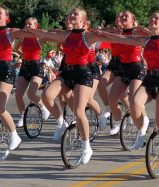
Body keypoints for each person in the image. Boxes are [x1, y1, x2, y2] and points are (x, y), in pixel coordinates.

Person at [95, 12, 159, 169]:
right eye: (151, 17)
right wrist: (101, 33)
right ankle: (141, 130)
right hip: (150, 79)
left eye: (157, 18)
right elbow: (121, 38)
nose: (153, 19)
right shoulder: (144, 40)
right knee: (134, 103)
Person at [24, 7, 110, 164]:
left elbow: (112, 36)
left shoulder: (88, 35)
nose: (71, 16)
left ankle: (86, 146)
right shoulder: (65, 35)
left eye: (75, 14)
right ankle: (61, 122)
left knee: (78, 110)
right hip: (67, 73)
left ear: (83, 21)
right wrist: (27, 31)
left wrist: (134, 36)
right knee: (46, 95)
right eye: (70, 13)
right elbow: (44, 33)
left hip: (84, 73)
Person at [0, 5, 35, 151]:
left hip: (5, 70)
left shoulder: (10, 32)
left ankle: (14, 136)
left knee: (0, 108)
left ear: (6, 18)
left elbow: (28, 32)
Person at [14, 17, 50, 128]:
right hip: (25, 66)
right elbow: (15, 47)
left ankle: (43, 107)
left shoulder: (39, 37)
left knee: (31, 94)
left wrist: (35, 32)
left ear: (36, 26)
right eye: (26, 24)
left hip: (36, 67)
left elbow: (46, 34)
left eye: (30, 24)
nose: (27, 26)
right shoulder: (23, 37)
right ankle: (22, 116)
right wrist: (23, 55)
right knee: (18, 95)